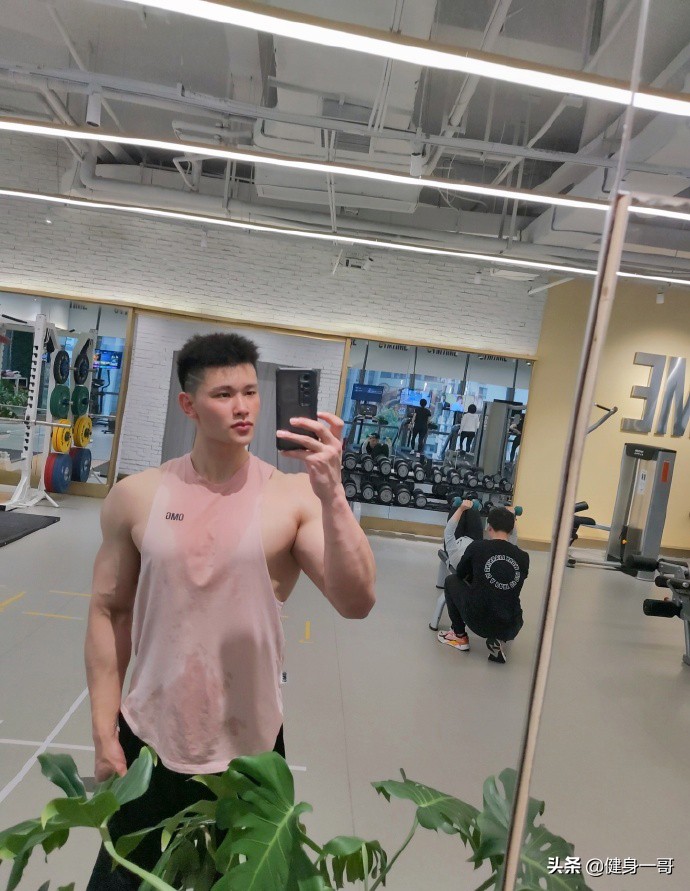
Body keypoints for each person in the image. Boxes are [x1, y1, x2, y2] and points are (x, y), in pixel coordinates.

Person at [84, 332, 376, 888]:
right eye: (223, 395)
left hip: (251, 747)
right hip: (150, 736)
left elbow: (356, 601)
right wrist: (104, 730)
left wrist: (333, 493)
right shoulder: (137, 495)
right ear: (188, 405)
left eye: (249, 392)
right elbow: (109, 611)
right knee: (122, 879)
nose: (242, 407)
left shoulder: (291, 497)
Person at [438, 506, 529, 664]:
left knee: (451, 581)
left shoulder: (477, 548)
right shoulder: (523, 557)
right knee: (505, 597)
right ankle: (499, 639)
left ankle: (459, 636)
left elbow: (461, 574)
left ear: (488, 527)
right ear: (512, 529)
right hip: (511, 626)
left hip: (478, 622)